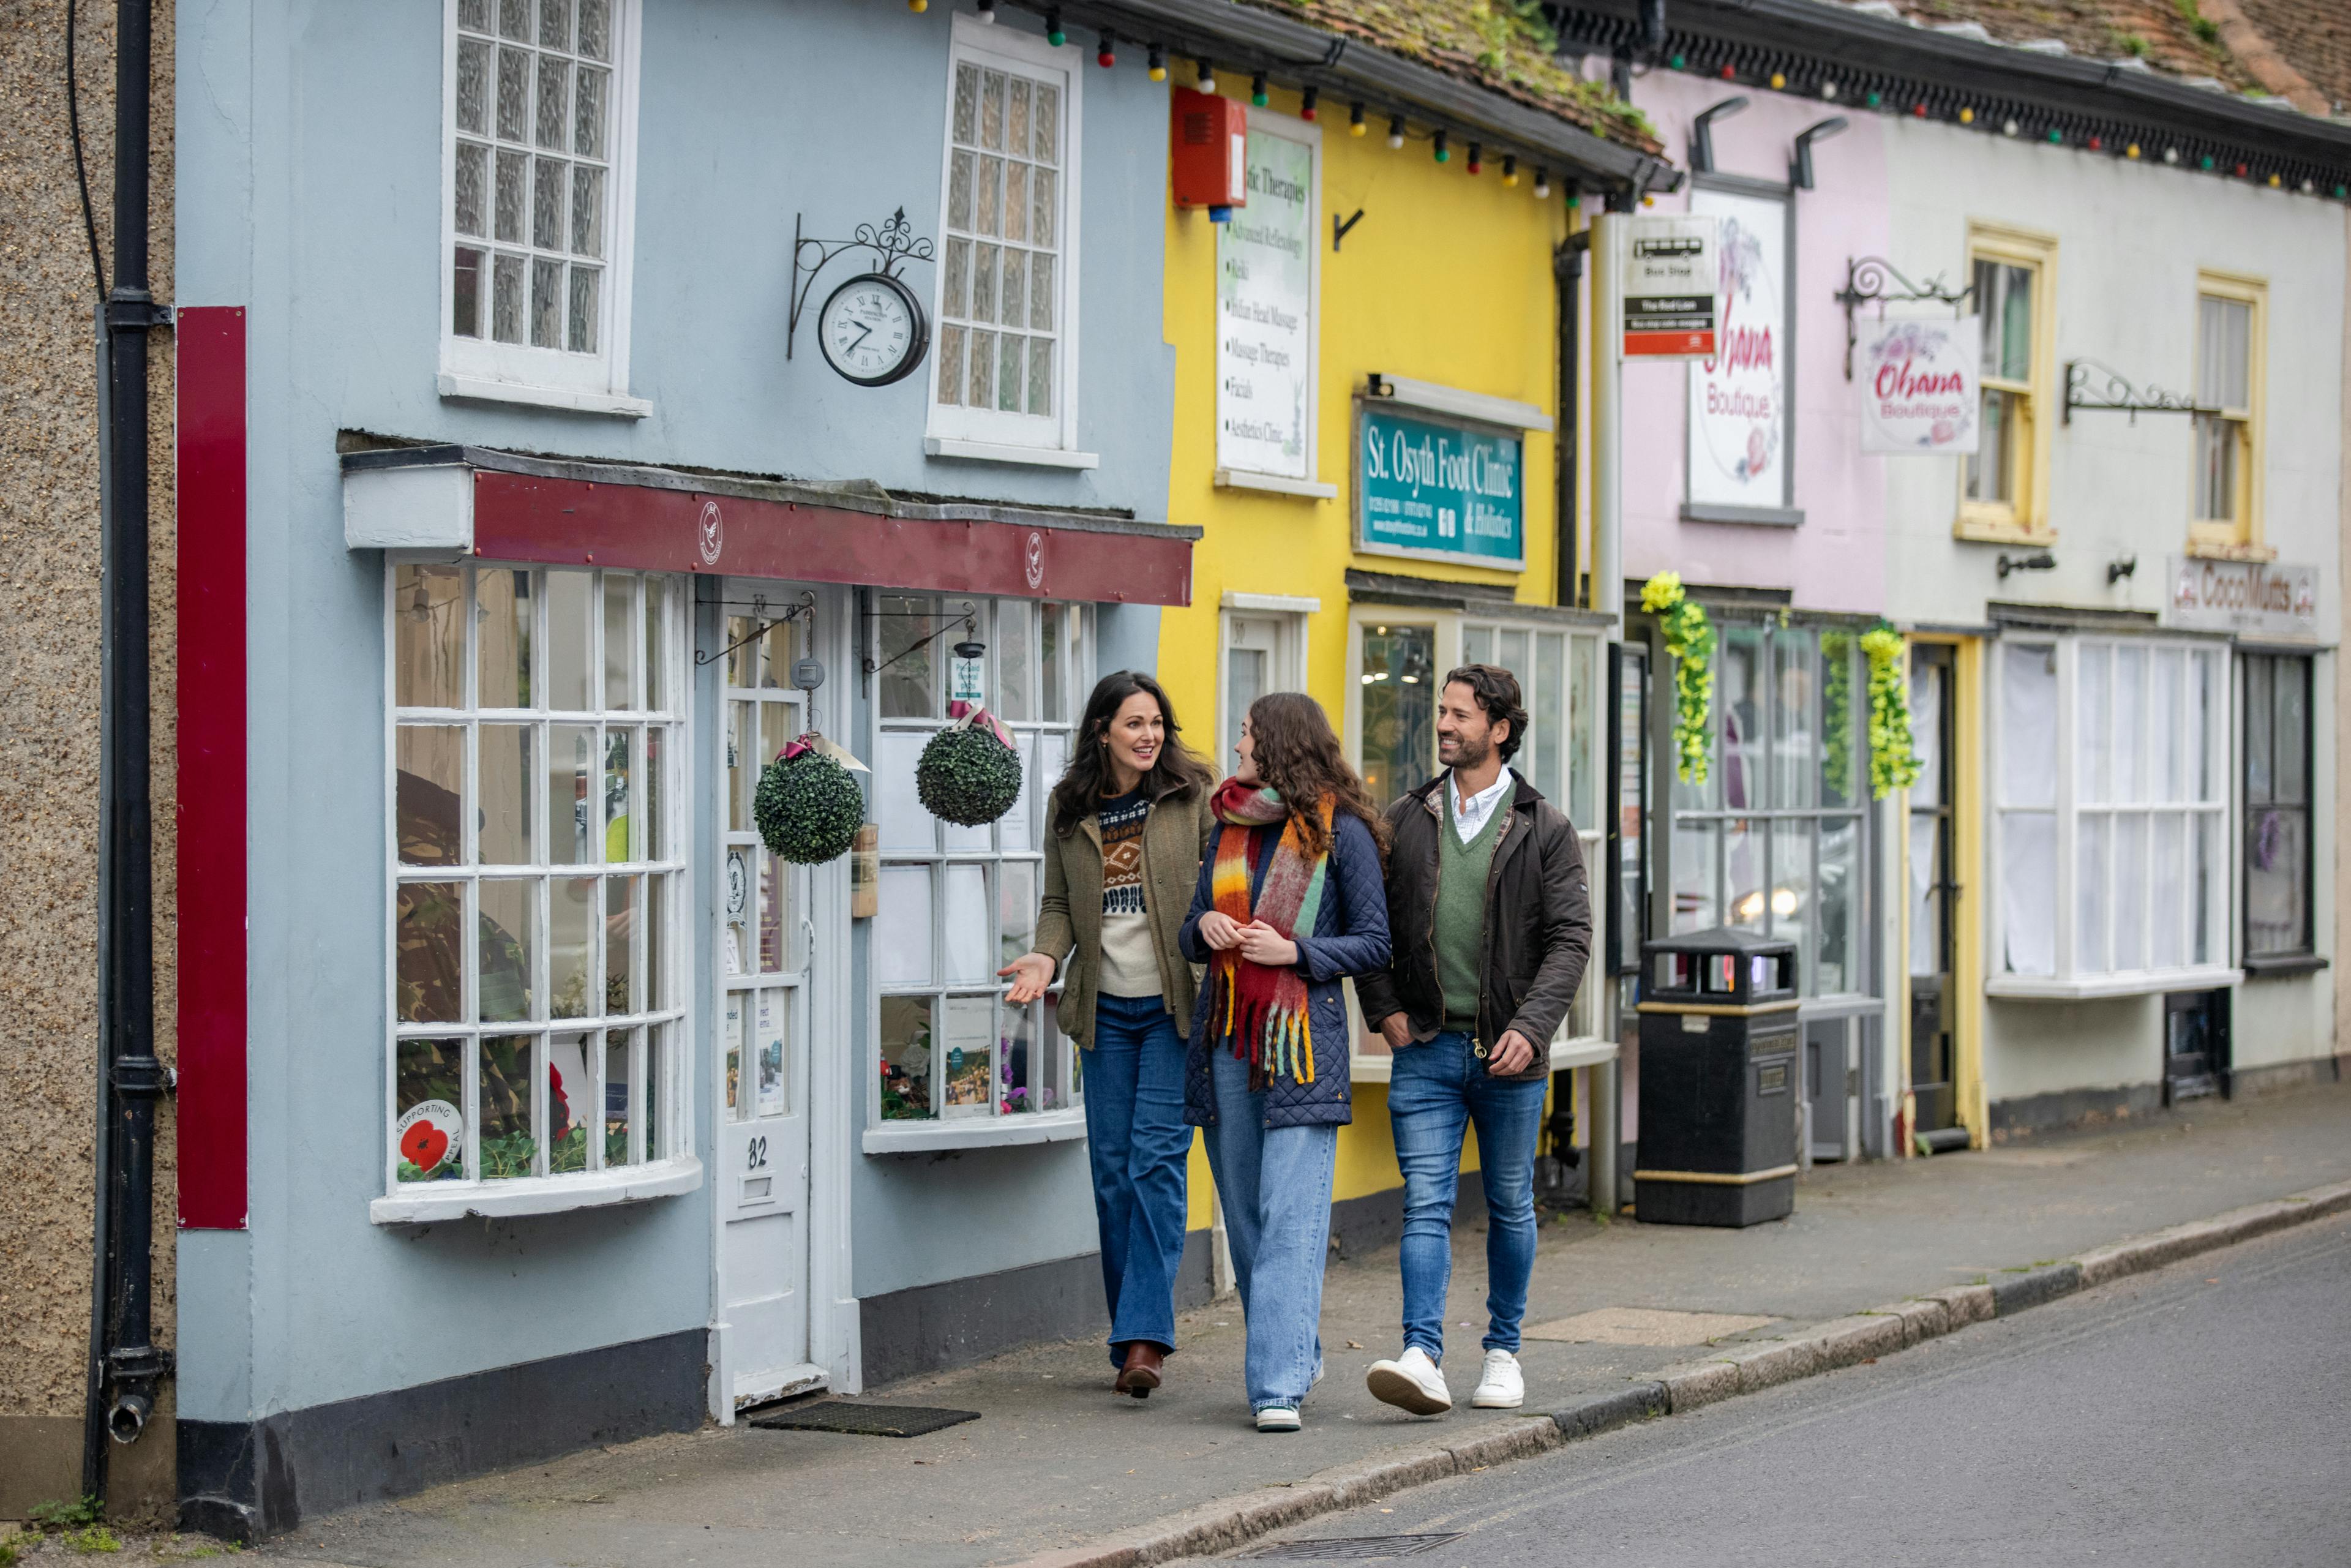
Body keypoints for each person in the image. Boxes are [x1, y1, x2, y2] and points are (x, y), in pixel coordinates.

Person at [1355, 664, 1592, 1417]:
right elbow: (1372, 927)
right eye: (1443, 712)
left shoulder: (1543, 826)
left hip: (1507, 1054)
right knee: (1424, 1203)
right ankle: (1423, 1353)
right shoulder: (1407, 816)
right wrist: (1382, 1005)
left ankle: (1503, 1351)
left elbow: (1571, 938)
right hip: (1425, 1045)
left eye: (1461, 714)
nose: (1445, 725)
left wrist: (1531, 1027)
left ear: (1500, 729)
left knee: (1510, 1203)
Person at [1179, 692, 1391, 1433]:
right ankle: (1295, 1349)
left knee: (1292, 1217)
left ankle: (1275, 1387)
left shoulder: (1344, 831)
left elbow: (1374, 941)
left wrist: (1296, 951)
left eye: (1245, 732)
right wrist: (1202, 926)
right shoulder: (1228, 823)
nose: (1236, 742)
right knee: (1244, 1213)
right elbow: (1190, 929)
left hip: (1303, 1044)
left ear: (1277, 743)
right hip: (1231, 1037)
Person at [1000, 671, 1214, 1398]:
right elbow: (1059, 902)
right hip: (1105, 1013)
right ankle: (1131, 1331)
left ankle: (1146, 1338)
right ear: (1103, 732)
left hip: (1171, 1010)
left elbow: (1222, 885)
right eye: (1134, 724)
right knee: (1113, 1170)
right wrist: (1043, 953)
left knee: (1157, 1163)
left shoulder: (1194, 796)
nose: (1150, 735)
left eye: (1157, 721)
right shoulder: (1070, 805)